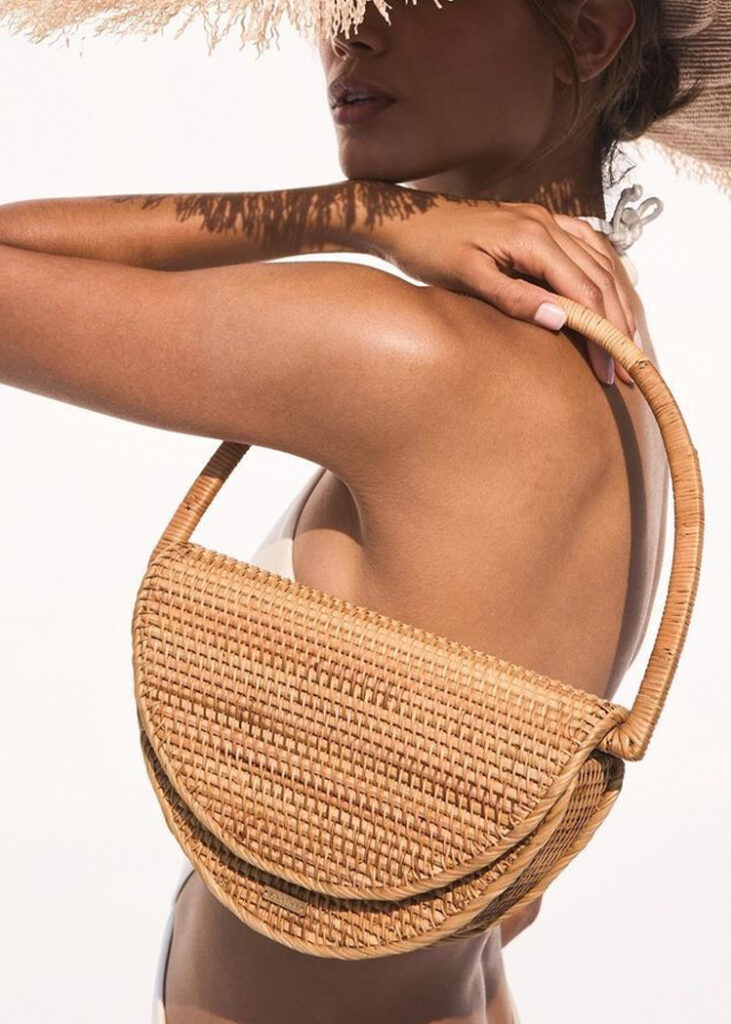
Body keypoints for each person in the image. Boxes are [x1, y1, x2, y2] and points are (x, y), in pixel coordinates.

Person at [0, 1, 696, 1021]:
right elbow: (502, 902)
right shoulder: (605, 363)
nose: (350, 32)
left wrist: (351, 215)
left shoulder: (413, 354)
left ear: (587, 33)